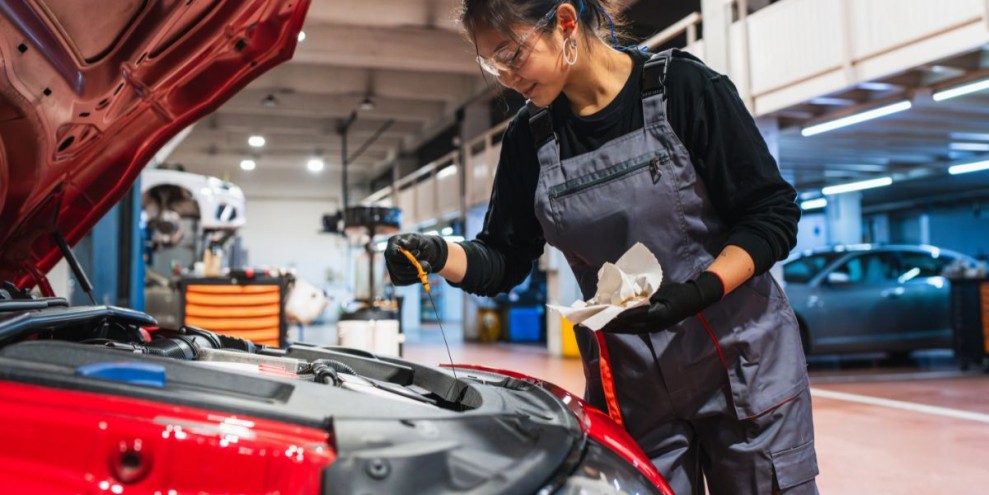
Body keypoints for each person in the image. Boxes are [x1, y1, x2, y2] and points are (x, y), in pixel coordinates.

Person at [385, 1, 819, 493]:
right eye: (492, 64)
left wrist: (699, 291)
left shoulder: (685, 89)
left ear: (565, 21)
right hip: (632, 385)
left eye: (511, 54)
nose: (505, 78)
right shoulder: (530, 140)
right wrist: (437, 254)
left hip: (742, 365)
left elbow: (770, 214)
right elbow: (504, 259)